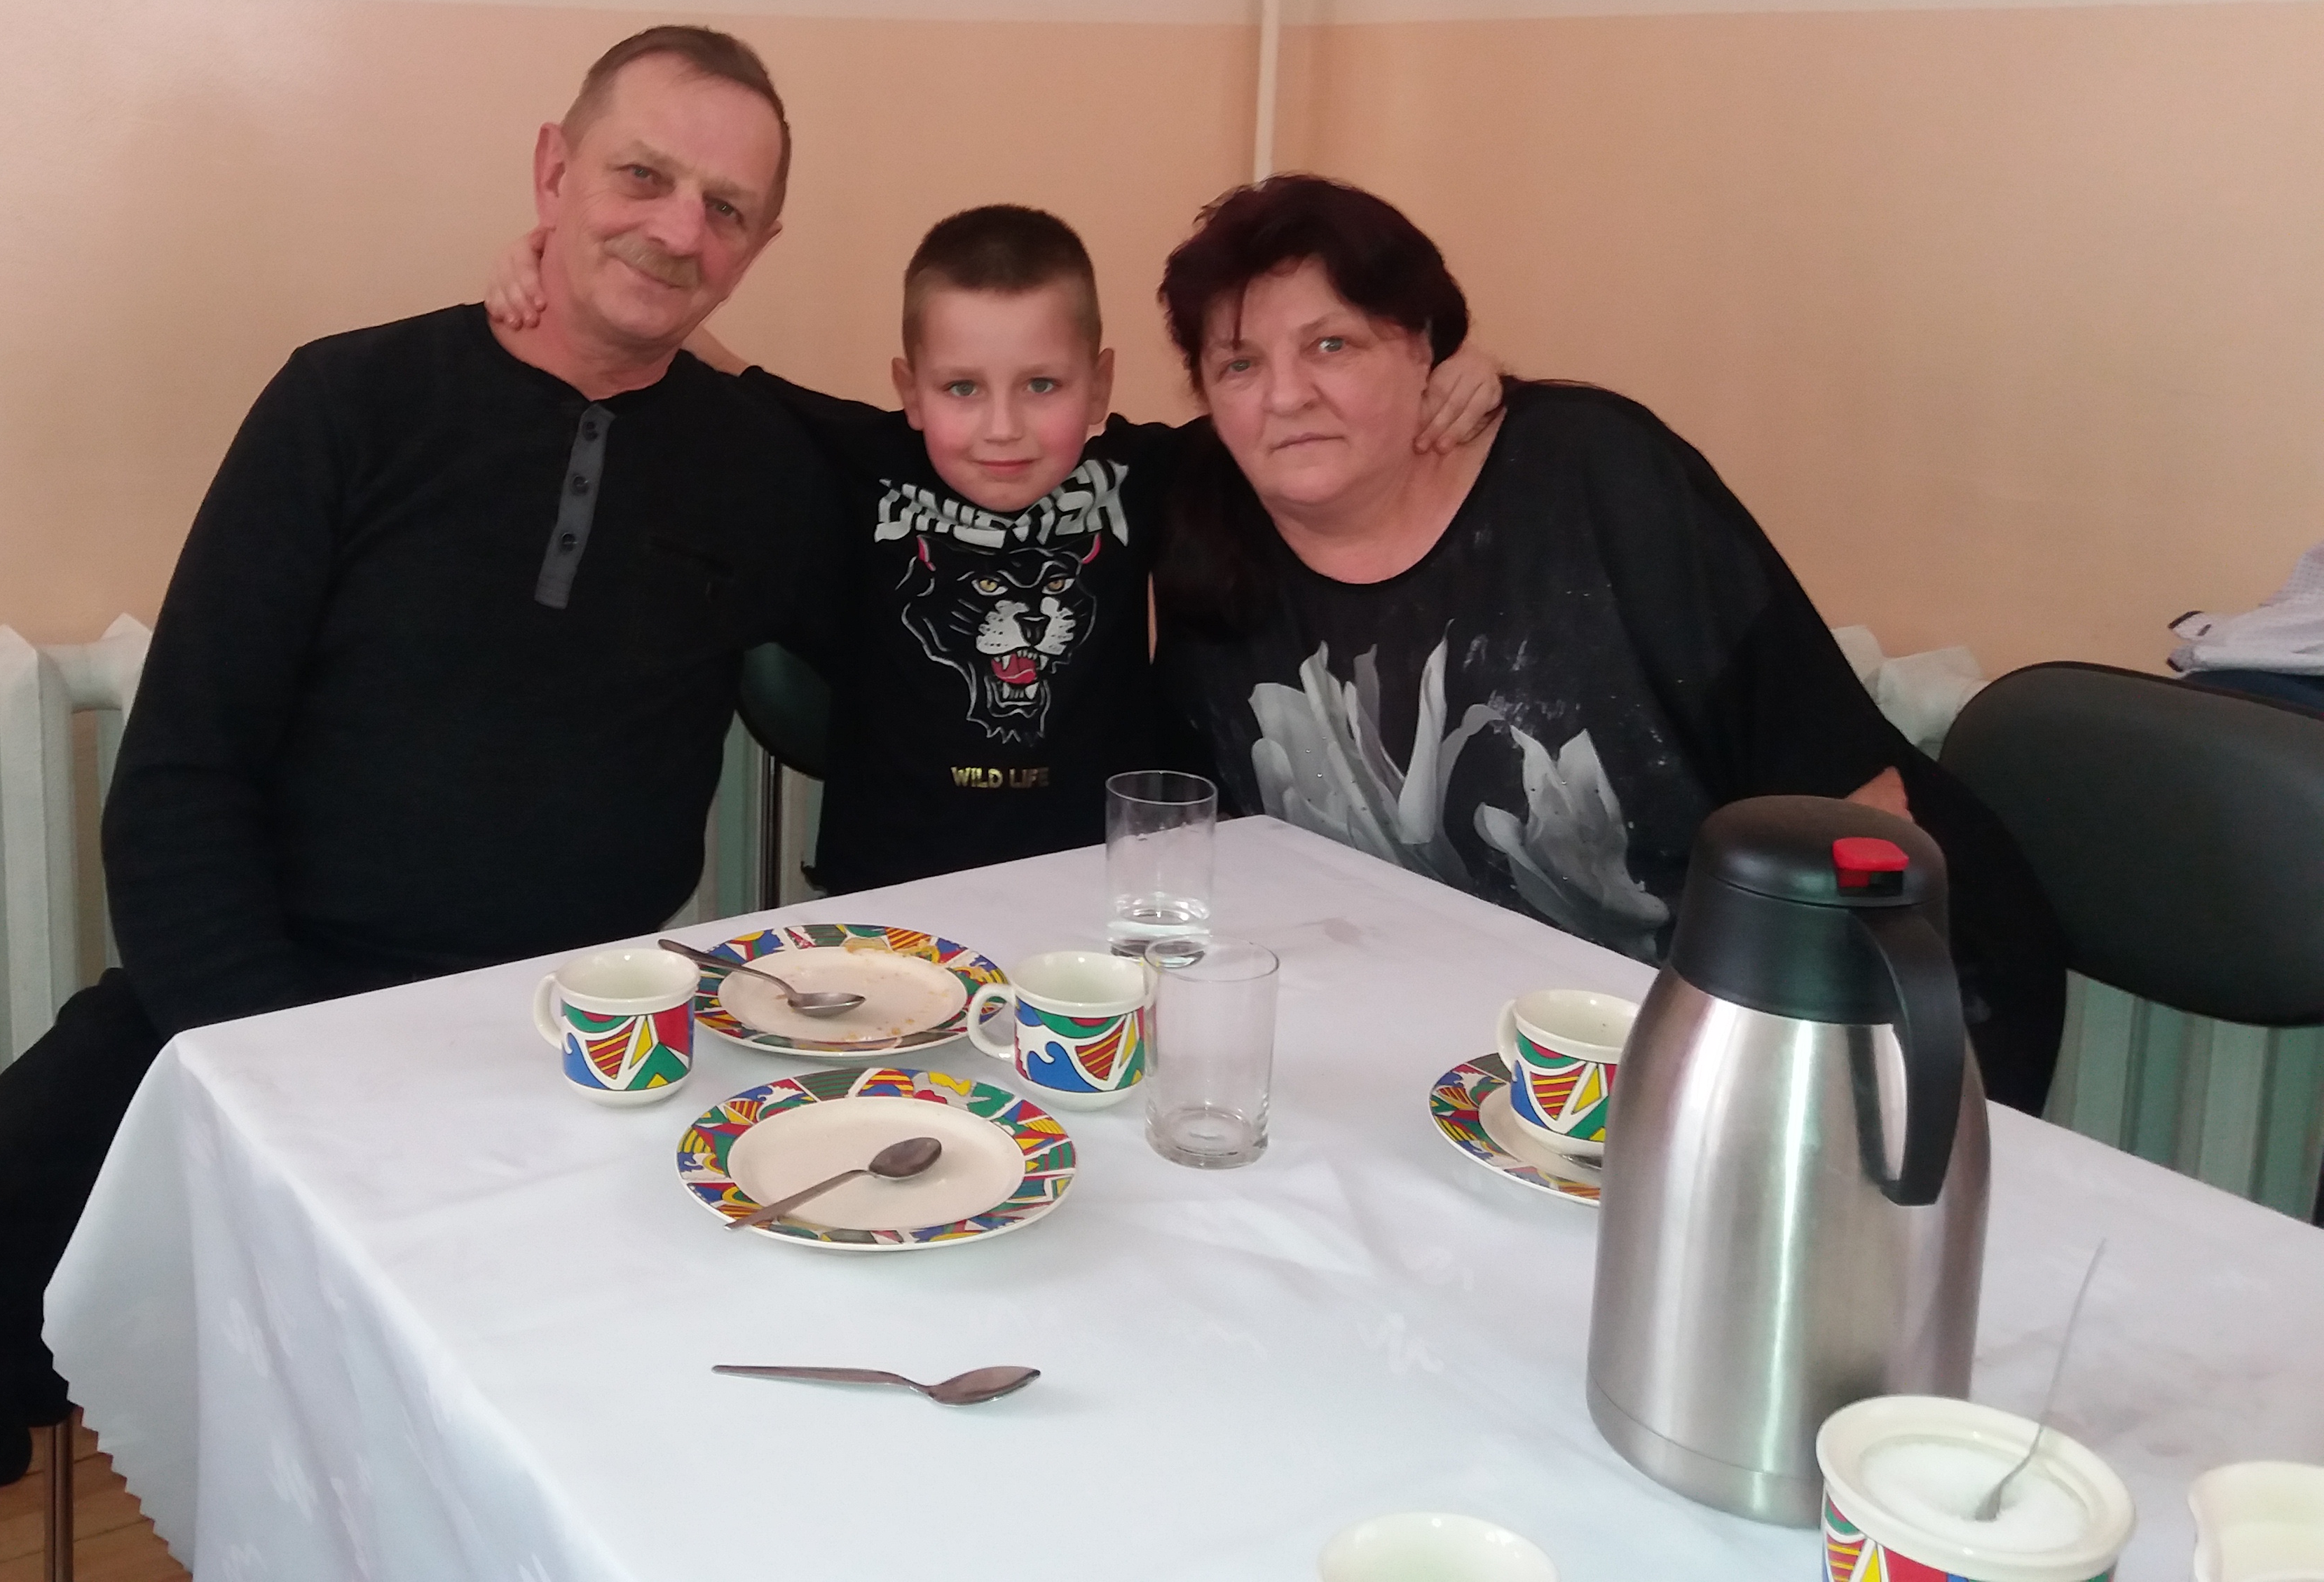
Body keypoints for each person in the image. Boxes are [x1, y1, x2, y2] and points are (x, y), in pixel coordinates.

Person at [0, 27, 843, 1581]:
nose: (677, 229)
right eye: (640, 176)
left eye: (725, 210)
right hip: (242, 1016)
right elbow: (179, 781)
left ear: (762, 248)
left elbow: (976, 463)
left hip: (565, 1051)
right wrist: (281, 1072)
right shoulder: (351, 401)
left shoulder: (766, 470)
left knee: (626, 1405)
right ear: (551, 170)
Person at [1151, 175, 2068, 1108]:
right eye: (1240, 365)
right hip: (1494, 1053)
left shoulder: (1592, 478)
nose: (1286, 395)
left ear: (1424, 344)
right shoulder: (1199, 515)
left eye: (1332, 345)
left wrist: (1805, 1095)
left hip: (1833, 1000)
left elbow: (1856, 808)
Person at [489, 203, 1501, 889]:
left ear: (1100, 386)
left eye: (1043, 386)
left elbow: (1303, 418)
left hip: (1097, 886)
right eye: (963, 389)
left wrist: (1460, 368)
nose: (1002, 429)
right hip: (889, 892)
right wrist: (555, 272)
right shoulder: (860, 458)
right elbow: (700, 357)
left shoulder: (1150, 470)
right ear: (910, 387)